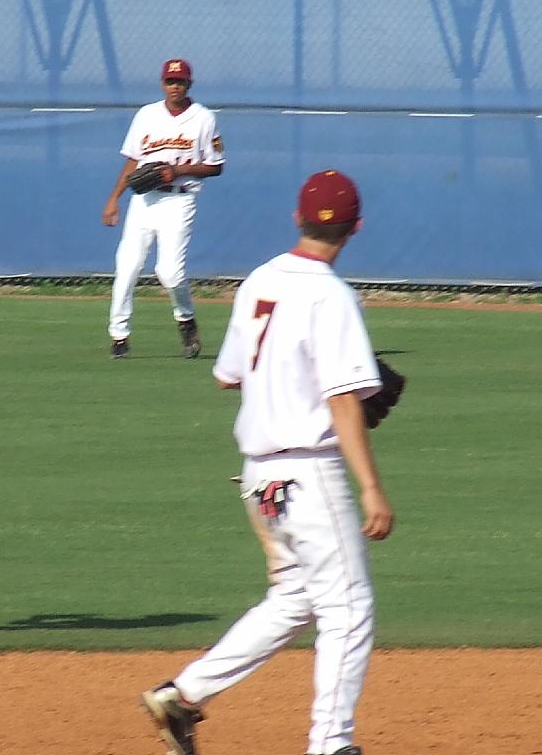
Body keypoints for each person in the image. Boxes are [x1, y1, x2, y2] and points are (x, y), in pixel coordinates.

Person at [141, 170, 395, 755]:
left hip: (260, 479)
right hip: (310, 474)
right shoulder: (331, 294)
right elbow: (341, 400)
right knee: (349, 609)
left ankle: (183, 695)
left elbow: (228, 376)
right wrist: (372, 487)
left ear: (295, 219)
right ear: (356, 228)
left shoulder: (260, 280)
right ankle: (331, 744)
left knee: (295, 600)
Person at [102, 58, 225, 360]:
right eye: (170, 81)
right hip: (144, 200)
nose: (174, 86)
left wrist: (179, 171)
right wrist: (114, 198)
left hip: (179, 199)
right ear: (162, 84)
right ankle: (119, 336)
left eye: (180, 81)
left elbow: (216, 166)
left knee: (169, 272)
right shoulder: (147, 115)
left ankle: (186, 320)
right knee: (127, 267)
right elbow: (133, 160)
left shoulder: (203, 118)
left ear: (189, 85)